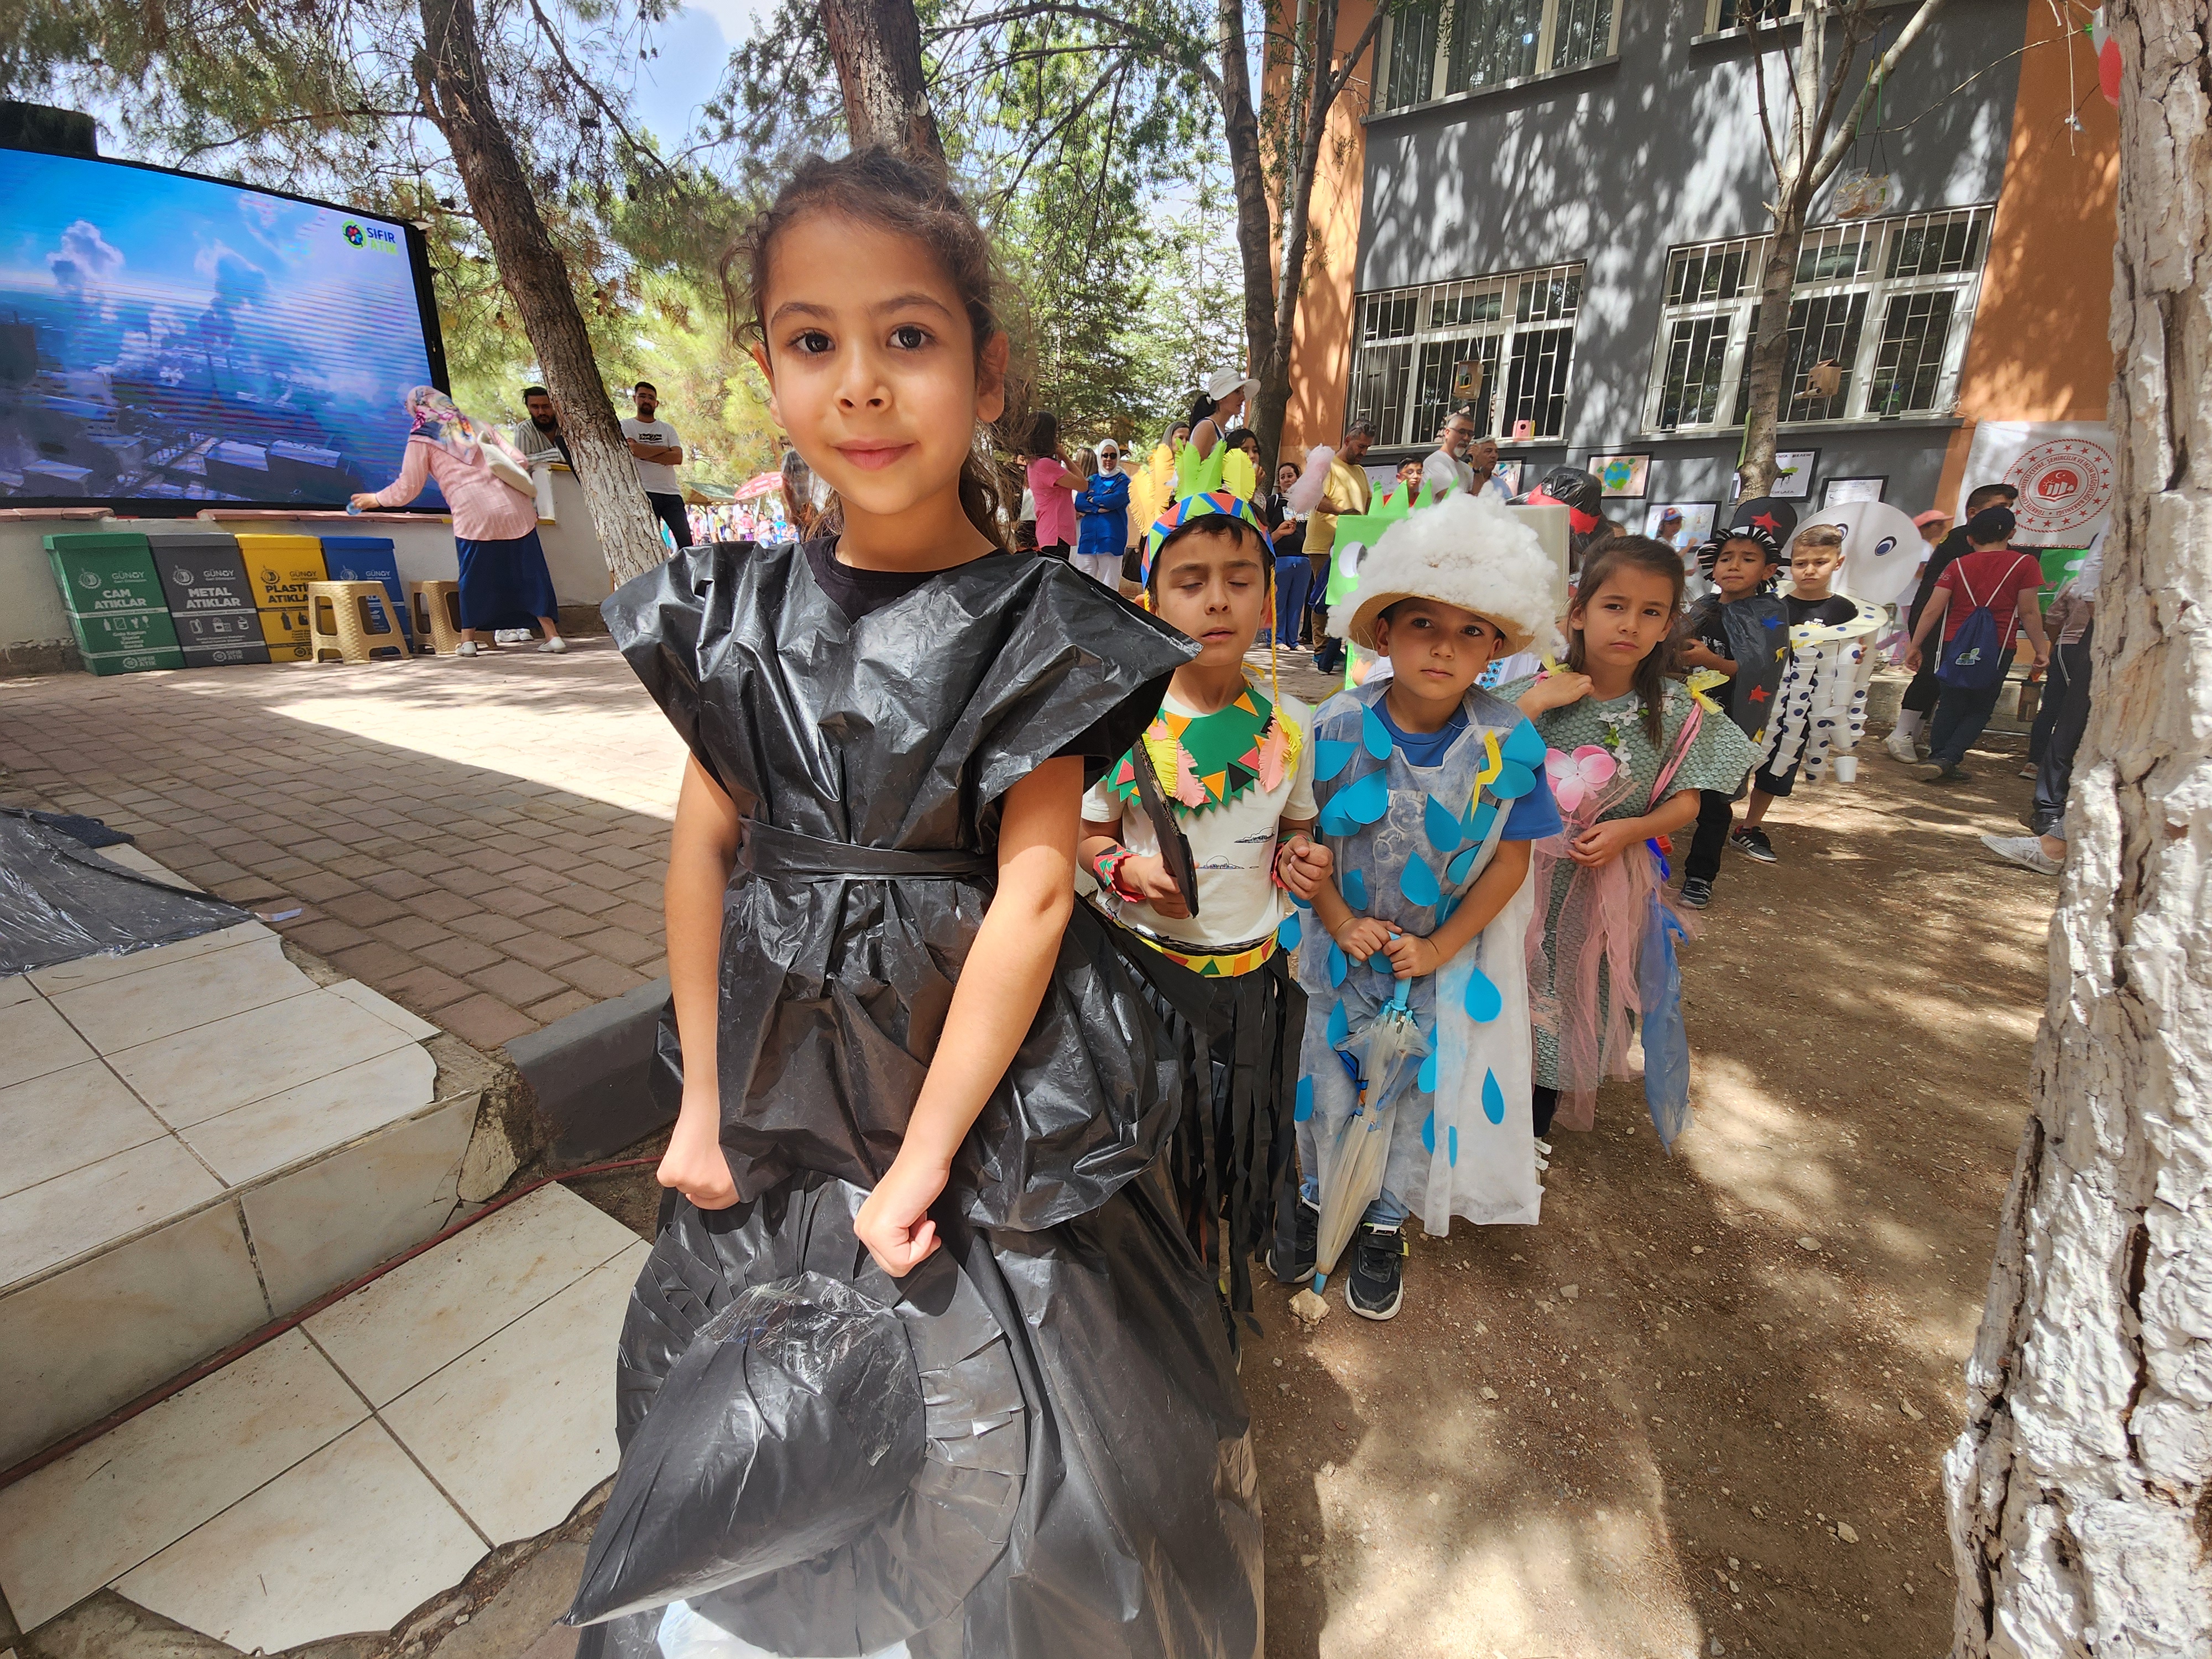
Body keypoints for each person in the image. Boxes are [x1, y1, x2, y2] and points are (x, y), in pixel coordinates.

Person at [567, 149, 1261, 1659]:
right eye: (814, 341)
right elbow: (703, 851)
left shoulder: (1035, 627)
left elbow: (1027, 899)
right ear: (768, 372)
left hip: (970, 1077)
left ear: (987, 372)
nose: (862, 387)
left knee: (1016, 1397)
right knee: (761, 1376)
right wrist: (696, 1102)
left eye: (910, 338)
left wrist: (927, 1158)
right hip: (769, 1074)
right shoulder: (731, 612)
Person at [1282, 492, 1564, 1321]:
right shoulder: (1333, 726)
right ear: (1383, 635)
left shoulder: (1508, 742)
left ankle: (1382, 1220)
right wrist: (1337, 918)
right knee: (1325, 1082)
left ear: (1499, 649)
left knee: (1415, 1096)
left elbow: (1512, 859)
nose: (1445, 647)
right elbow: (1309, 841)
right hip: (1344, 954)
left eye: (1471, 631)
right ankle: (1311, 1200)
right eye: (1424, 625)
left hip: (1441, 961)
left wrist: (1442, 948)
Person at [1081, 485, 1321, 1331]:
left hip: (1252, 987)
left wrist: (1303, 859)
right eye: (1189, 581)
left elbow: (1296, 829)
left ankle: (1220, 1275)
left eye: (1239, 578)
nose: (1217, 599)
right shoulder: (1123, 724)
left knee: (1232, 1137)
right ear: (1152, 597)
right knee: (1158, 1143)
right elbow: (1085, 838)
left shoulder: (1292, 726)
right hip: (1146, 985)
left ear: (1268, 592)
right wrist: (1121, 869)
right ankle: (1160, 1289)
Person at [1505, 536, 1761, 1139]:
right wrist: (1533, 705)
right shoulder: (1536, 692)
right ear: (1577, 612)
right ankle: (1484, 1121)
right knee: (1507, 991)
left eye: (1651, 612)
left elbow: (1688, 802)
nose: (1630, 625)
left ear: (1669, 624)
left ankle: (1529, 1137)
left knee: (1574, 996)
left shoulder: (1677, 709)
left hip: (1603, 888)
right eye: (1614, 606)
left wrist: (1632, 830)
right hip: (1515, 882)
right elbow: (1481, 762)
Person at [350, 385, 566, 656]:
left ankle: (468, 642)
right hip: (515, 511)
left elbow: (409, 488)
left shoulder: (421, 439)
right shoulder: (477, 425)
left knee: (475, 577)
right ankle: (552, 636)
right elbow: (520, 461)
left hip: (473, 513)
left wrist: (375, 499)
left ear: (418, 408)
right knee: (531, 574)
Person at [1729, 521, 1879, 864]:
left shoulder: (1845, 612)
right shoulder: (1769, 602)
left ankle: (1749, 827)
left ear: (1838, 563)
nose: (1809, 571)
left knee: (1778, 765)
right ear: (1789, 564)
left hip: (1800, 705)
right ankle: (1712, 817)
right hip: (1752, 696)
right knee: (1735, 756)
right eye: (1800, 563)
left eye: (1820, 562)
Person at [1674, 520, 1789, 907]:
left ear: (1768, 570)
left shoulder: (1769, 614)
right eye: (1726, 558)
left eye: (1747, 559)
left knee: (1714, 801)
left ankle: (1700, 875)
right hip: (1686, 718)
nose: (1734, 566)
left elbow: (1759, 669)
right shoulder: (1703, 606)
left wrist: (1710, 660)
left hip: (1730, 721)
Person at [1903, 504, 2051, 785]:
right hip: (1997, 645)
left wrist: (1915, 644)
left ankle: (1939, 757)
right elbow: (2030, 611)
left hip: (1953, 642)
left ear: (1970, 538)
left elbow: (1933, 609)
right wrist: (2041, 649)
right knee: (1980, 707)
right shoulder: (2025, 564)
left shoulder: (1957, 565)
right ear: (2012, 533)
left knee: (1949, 702)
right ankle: (1948, 759)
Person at [1888, 483, 2017, 761]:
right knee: (1927, 674)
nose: (2004, 514)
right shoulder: (1962, 540)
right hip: (1939, 619)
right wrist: (1920, 635)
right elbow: (1938, 592)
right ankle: (1900, 734)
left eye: (2009, 509)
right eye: (1998, 508)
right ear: (1973, 513)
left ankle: (1917, 732)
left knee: (1942, 679)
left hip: (1966, 627)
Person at [1305, 422, 1374, 675]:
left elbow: (1367, 503)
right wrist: (1343, 513)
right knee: (1325, 596)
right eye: (1361, 446)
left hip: (1353, 545)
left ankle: (1335, 649)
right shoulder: (1327, 466)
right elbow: (1315, 499)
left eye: (1367, 447)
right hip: (1324, 544)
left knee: (1345, 598)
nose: (1364, 452)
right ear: (1347, 440)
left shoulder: (1361, 472)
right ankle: (1321, 650)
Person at [622, 382, 690, 551]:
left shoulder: (667, 429)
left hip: (671, 493)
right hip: (645, 492)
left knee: (686, 543)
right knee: (651, 545)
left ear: (656, 403)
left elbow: (677, 457)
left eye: (651, 398)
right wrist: (664, 451)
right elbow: (634, 450)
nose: (647, 401)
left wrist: (645, 451)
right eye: (643, 396)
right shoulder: (627, 425)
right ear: (635, 399)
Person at [1259, 459, 1308, 646]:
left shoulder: (1306, 503)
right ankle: (1276, 639)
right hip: (1281, 558)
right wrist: (1279, 532)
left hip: (1303, 560)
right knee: (1278, 602)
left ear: (1298, 478)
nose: (1287, 480)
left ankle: (1292, 640)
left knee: (1296, 604)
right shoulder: (1274, 502)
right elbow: (1265, 533)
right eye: (1283, 477)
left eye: (1291, 476)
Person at [1023, 410, 1080, 559]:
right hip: (1056, 534)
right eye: (1054, 432)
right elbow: (1082, 484)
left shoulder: (1034, 464)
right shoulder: (1046, 465)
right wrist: (1066, 457)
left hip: (1049, 532)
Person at [1071, 441, 1129, 587]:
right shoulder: (1090, 481)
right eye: (1105, 455)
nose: (1108, 459)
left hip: (1111, 539)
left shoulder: (1123, 481)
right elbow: (1079, 503)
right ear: (1099, 457)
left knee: (1109, 586)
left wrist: (1094, 500)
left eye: (1113, 456)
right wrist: (1100, 507)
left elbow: (1115, 500)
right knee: (1083, 584)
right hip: (1088, 540)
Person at [1419, 407, 1479, 498]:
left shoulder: (1466, 468)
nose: (1466, 438)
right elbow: (1451, 499)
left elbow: (1479, 496)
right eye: (1462, 432)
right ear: (1447, 433)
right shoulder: (1435, 462)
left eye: (1470, 434)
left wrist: (1478, 467)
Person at [512, 384, 570, 466]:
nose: (541, 412)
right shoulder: (524, 430)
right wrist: (557, 455)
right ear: (528, 408)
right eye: (535, 407)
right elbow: (521, 463)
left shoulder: (568, 427)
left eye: (546, 407)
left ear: (555, 406)